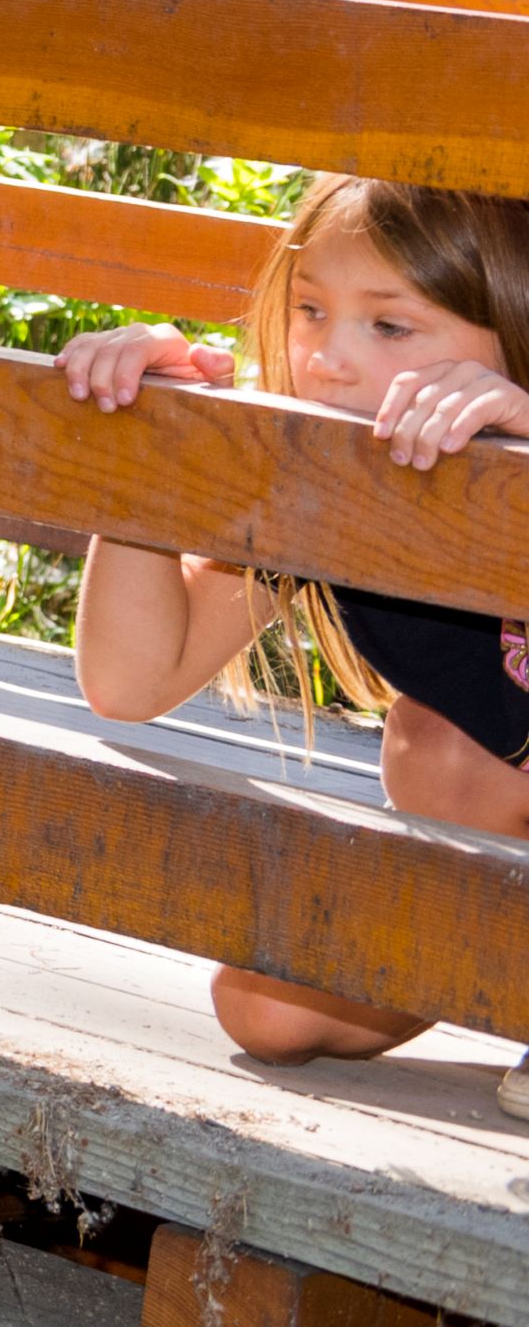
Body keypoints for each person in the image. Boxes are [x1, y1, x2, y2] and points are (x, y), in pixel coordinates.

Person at [58, 178, 529, 1095]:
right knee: (270, 1009)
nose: (326, 361)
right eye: (310, 310)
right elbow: (132, 679)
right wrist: (154, 451)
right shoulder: (306, 479)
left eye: (390, 327)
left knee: (444, 751)